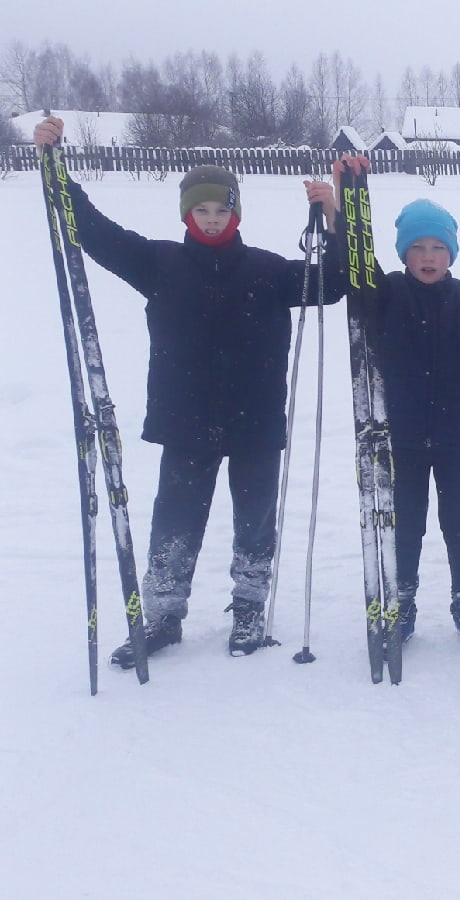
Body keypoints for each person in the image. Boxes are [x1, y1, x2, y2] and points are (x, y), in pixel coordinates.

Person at [32, 115, 343, 665]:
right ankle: (163, 615)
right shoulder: (159, 262)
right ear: (186, 213)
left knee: (255, 521)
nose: (213, 219)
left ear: (236, 212)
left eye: (222, 209)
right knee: (175, 519)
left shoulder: (269, 271)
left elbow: (335, 284)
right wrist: (55, 165)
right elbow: (92, 231)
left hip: (255, 419)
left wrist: (336, 217)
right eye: (202, 210)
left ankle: (249, 609)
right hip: (186, 419)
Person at [332, 156, 460, 650]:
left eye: (438, 247)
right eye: (418, 246)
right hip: (400, 435)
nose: (428, 255)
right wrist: (341, 207)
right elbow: (355, 262)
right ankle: (403, 605)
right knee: (407, 525)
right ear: (403, 252)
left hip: (458, 434)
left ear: (451, 253)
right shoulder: (385, 293)